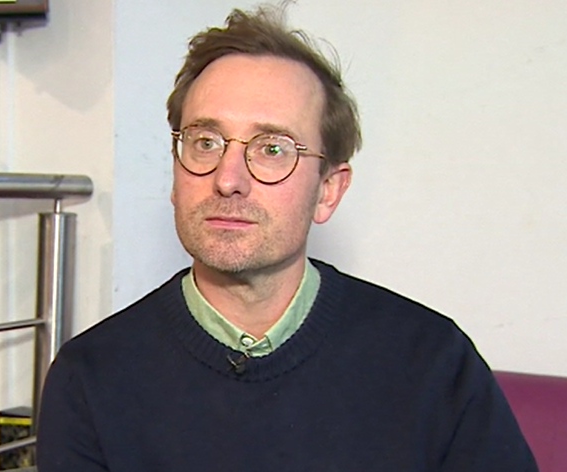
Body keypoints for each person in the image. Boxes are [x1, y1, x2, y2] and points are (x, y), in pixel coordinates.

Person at [36, 5, 537, 472]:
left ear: (328, 191)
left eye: (272, 148)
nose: (228, 177)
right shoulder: (91, 379)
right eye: (206, 142)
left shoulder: (431, 362)